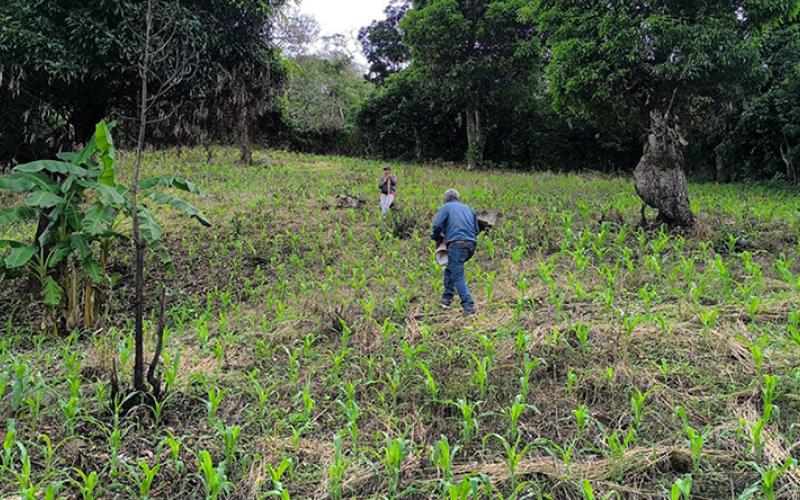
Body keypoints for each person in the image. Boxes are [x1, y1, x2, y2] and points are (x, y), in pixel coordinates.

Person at [431, 188, 480, 316]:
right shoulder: (468, 208)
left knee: (458, 275)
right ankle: (446, 299)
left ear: (446, 198)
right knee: (451, 268)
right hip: (471, 244)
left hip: (456, 244)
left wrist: (435, 237)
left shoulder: (446, 207)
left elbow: (437, 225)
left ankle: (468, 307)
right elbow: (476, 229)